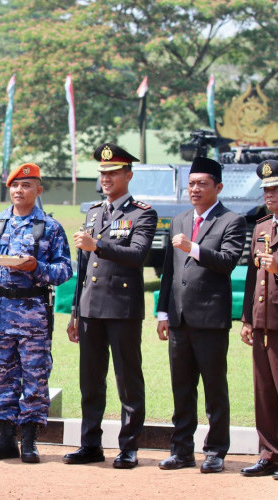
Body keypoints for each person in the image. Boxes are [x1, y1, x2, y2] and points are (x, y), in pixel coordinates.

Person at [0, 163, 72, 464]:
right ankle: (5, 436)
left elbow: (64, 271)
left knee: (35, 376)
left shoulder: (49, 227)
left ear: (39, 189)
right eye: (15, 186)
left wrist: (36, 267)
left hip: (33, 313)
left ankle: (31, 438)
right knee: (0, 377)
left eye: (27, 185)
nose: (19, 191)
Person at [65, 143, 157, 469]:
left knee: (128, 381)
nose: (106, 178)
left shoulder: (142, 213)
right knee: (90, 381)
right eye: (103, 173)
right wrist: (75, 311)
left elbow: (137, 256)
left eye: (113, 172)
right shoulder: (92, 212)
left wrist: (99, 245)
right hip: (90, 309)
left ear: (128, 175)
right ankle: (90, 444)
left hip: (122, 308)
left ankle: (129, 447)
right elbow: (83, 266)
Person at [156, 156, 245, 473]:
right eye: (191, 183)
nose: (194, 189)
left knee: (214, 389)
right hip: (179, 319)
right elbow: (169, 272)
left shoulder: (232, 220)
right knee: (181, 388)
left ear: (217, 187)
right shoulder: (179, 220)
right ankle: (181, 450)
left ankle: (216, 451)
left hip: (209, 320)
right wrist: (162, 312)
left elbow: (227, 261)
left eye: (201, 184)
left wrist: (193, 247)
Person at [239, 159, 278, 478]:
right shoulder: (263, 226)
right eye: (266, 189)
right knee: (264, 391)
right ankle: (269, 454)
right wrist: (248, 318)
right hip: (264, 321)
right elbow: (253, 277)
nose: (270, 194)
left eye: (276, 188)